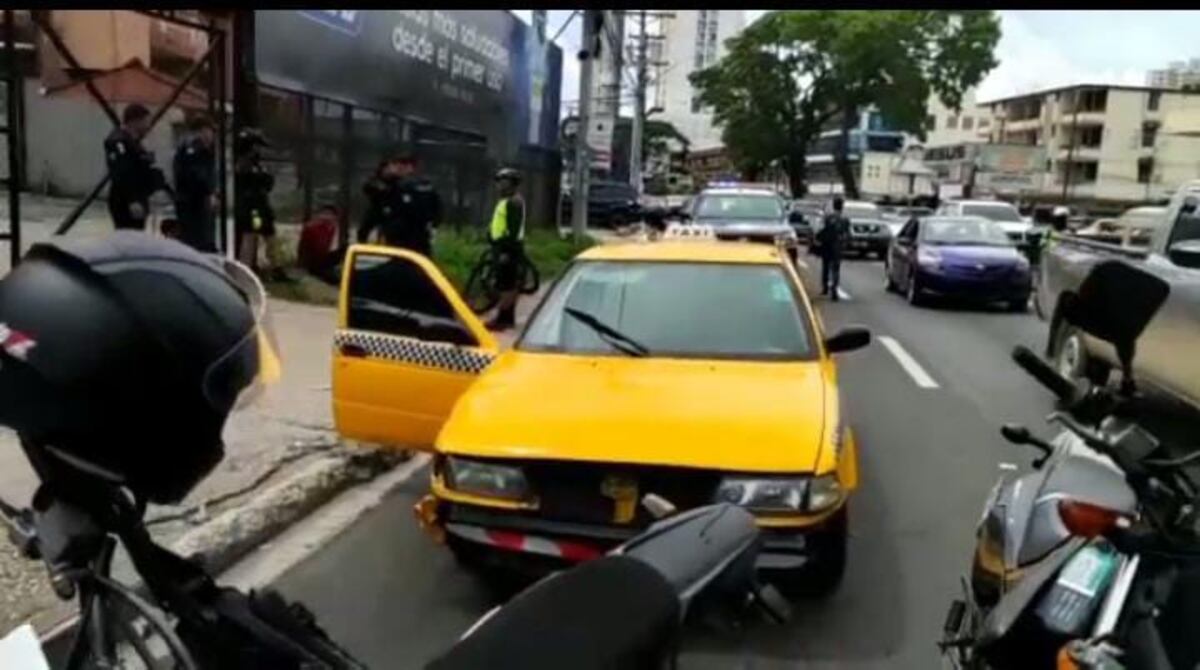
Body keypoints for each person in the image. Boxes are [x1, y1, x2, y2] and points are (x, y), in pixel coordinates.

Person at [104, 103, 169, 231]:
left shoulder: (134, 143)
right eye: (146, 121)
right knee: (128, 236)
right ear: (135, 121)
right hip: (126, 200)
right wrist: (132, 200)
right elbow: (122, 173)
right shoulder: (118, 141)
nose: (148, 126)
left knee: (138, 236)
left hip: (140, 197)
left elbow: (143, 168)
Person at [234, 127, 287, 281]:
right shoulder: (243, 163)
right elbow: (251, 181)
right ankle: (245, 272)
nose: (259, 150)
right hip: (252, 207)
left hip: (261, 204)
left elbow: (267, 183)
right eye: (256, 145)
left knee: (270, 234)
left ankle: (275, 268)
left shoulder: (255, 162)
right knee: (250, 235)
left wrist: (265, 177)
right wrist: (262, 178)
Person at [486, 168, 526, 331]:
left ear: (512, 185)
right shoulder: (505, 201)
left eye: (504, 182)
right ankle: (507, 317)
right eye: (499, 182)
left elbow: (513, 229)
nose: (500, 186)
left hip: (508, 247)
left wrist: (506, 251)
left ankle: (502, 317)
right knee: (505, 282)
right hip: (500, 245)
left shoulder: (513, 202)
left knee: (506, 285)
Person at [172, 113, 218, 252]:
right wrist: (209, 193)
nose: (212, 136)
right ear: (202, 130)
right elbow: (197, 175)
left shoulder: (190, 145)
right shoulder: (195, 147)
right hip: (194, 203)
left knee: (197, 239)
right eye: (211, 131)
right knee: (198, 241)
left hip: (192, 201)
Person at [298, 204, 347, 287]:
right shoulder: (313, 227)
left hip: (322, 259)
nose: (326, 217)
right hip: (313, 262)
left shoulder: (331, 228)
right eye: (325, 214)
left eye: (330, 215)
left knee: (346, 248)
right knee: (336, 280)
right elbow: (316, 250)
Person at [817, 196, 850, 301]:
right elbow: (847, 234)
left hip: (827, 244)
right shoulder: (845, 219)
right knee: (835, 268)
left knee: (825, 266)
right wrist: (845, 243)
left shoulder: (828, 217)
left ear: (834, 205)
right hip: (838, 245)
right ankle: (834, 288)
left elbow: (822, 230)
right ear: (842, 207)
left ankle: (825, 287)